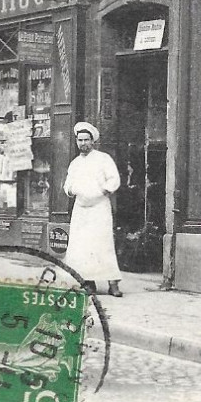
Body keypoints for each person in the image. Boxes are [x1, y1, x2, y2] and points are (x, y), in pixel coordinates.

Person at [63, 121, 123, 297]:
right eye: (80, 140)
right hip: (81, 209)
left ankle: (113, 283)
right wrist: (72, 190)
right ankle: (88, 282)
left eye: (86, 140)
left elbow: (114, 179)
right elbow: (67, 184)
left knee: (102, 244)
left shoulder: (103, 159)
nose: (83, 143)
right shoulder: (74, 163)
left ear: (93, 141)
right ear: (76, 141)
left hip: (99, 208)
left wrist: (102, 191)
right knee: (82, 246)